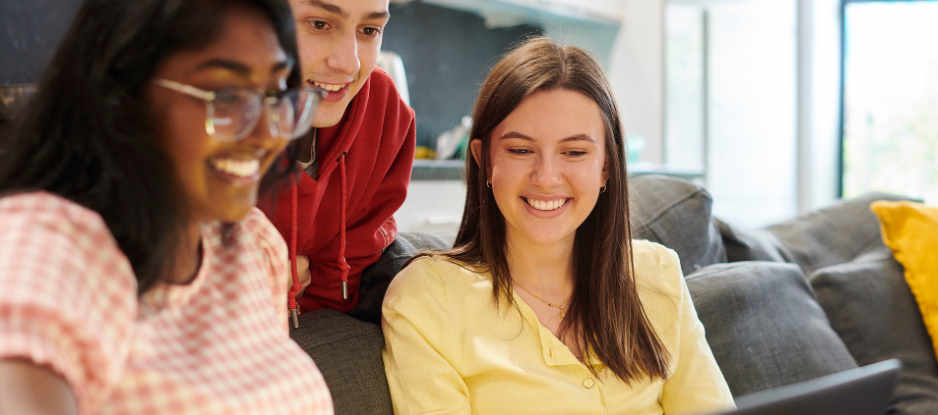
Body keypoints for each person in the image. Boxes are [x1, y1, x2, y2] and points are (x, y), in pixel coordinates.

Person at [0, 0, 334, 413]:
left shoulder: (253, 244)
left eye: (276, 95)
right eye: (226, 95)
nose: (267, 135)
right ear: (120, 96)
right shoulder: (48, 245)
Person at [381, 38, 734, 414]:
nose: (546, 178)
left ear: (606, 167)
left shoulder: (656, 273)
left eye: (574, 152)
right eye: (520, 150)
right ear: (484, 160)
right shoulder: (428, 299)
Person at [262, 0, 415, 324]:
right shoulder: (208, 108)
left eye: (369, 30)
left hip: (321, 320)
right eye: (319, 24)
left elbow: (361, 248)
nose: (349, 63)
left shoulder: (386, 111)